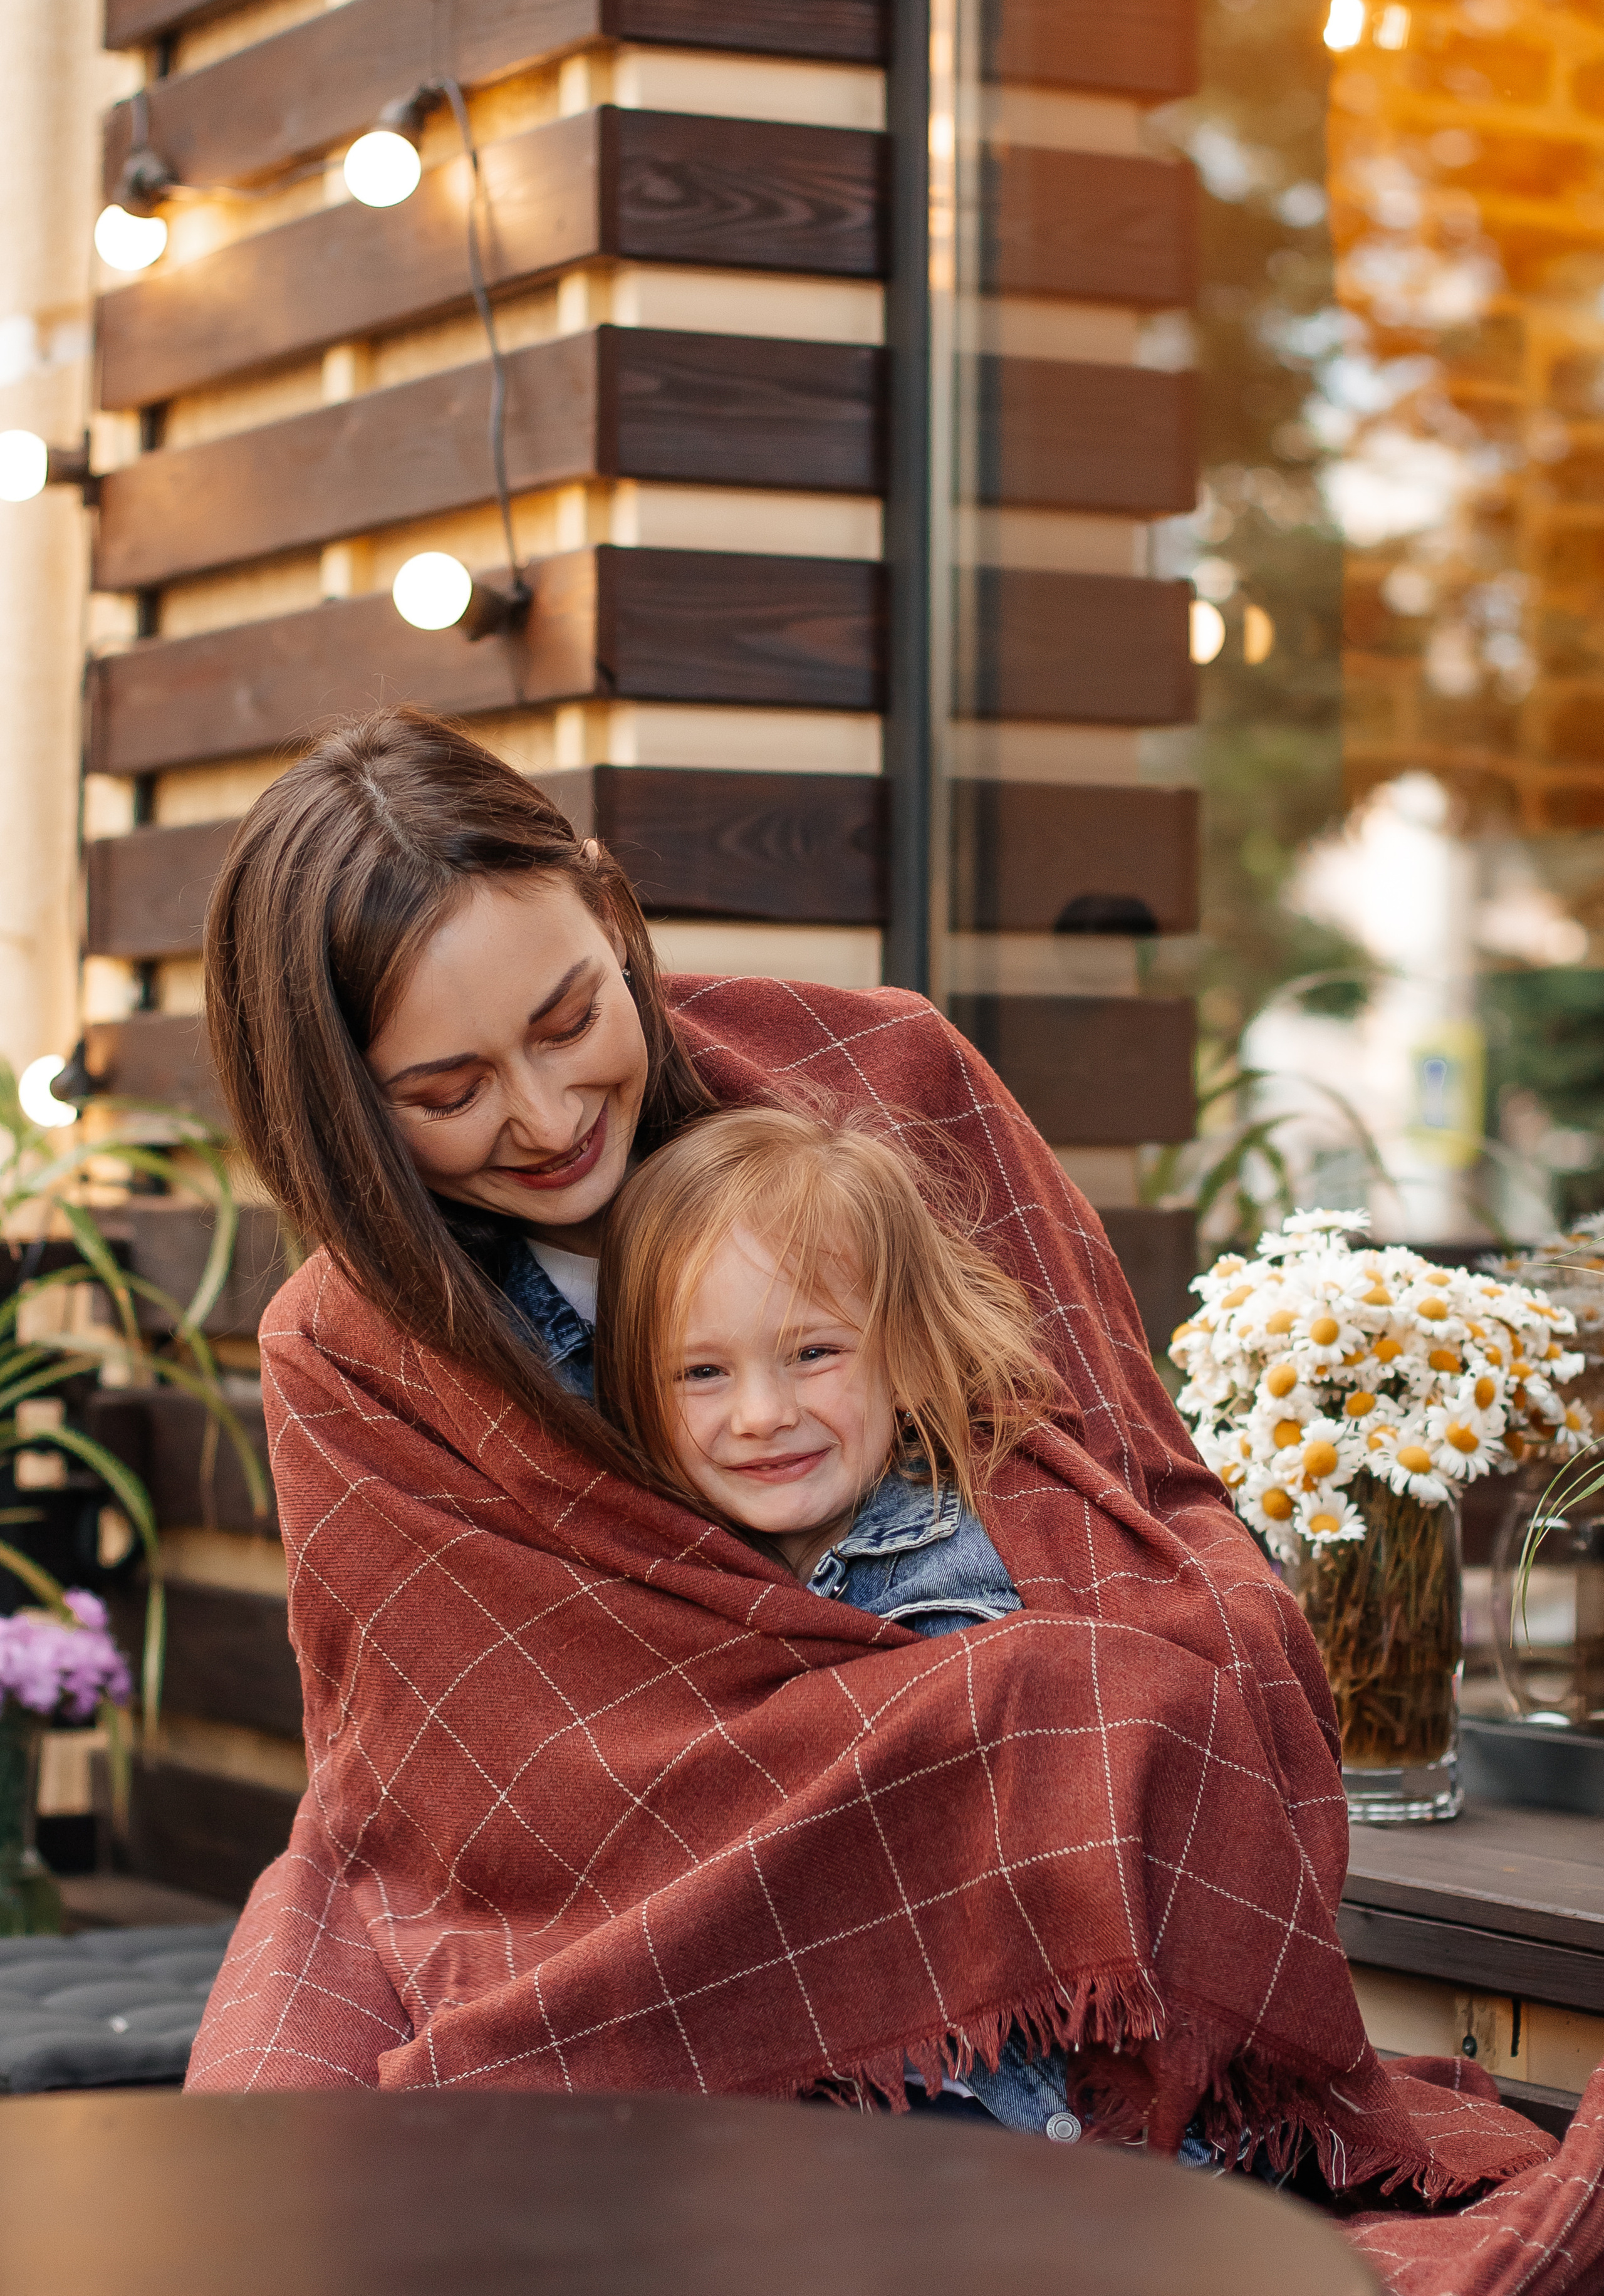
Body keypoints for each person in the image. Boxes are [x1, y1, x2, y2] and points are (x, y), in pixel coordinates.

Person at [185, 706, 1551, 2237]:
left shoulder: (877, 1076)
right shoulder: (347, 1345)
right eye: (446, 1092)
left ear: (609, 906)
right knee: (269, 2196)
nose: (548, 1113)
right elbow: (480, 1776)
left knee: (1114, 1702)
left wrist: (1097, 1692)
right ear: (346, 1111)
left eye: (571, 1018)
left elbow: (1128, 1483)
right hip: (532, 1897)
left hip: (1006, 1841)